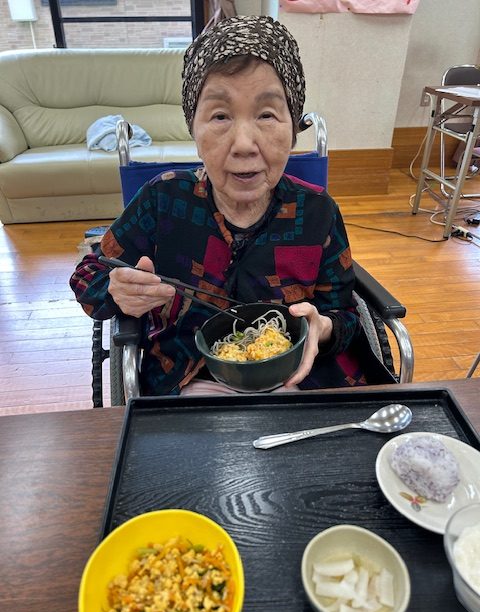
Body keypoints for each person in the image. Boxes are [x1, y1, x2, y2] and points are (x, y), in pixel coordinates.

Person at [70, 15, 387, 396]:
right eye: (220, 116)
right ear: (193, 128)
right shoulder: (163, 200)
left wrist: (323, 327)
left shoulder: (317, 211)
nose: (244, 144)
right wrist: (116, 290)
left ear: (292, 127)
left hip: (298, 381)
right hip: (191, 383)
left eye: (267, 115)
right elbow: (88, 275)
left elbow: (345, 314)